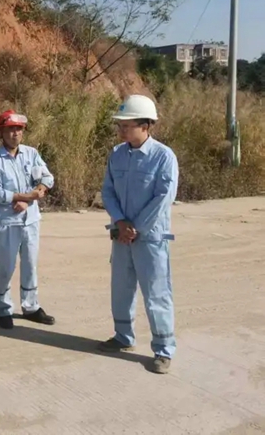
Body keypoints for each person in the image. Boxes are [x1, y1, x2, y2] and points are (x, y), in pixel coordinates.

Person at [98, 94, 179, 375]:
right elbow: (108, 190)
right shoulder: (117, 154)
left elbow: (163, 197)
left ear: (145, 126)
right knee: (121, 289)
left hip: (150, 239)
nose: (121, 130)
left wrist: (136, 228)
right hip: (121, 236)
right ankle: (123, 336)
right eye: (120, 125)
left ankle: (163, 350)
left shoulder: (163, 157)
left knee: (156, 294)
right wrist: (121, 222)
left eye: (127, 125)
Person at [0, 110, 56, 330]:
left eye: (18, 129)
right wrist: (23, 197)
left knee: (30, 265)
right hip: (8, 223)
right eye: (10, 129)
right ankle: (4, 308)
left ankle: (31, 307)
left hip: (31, 220)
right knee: (6, 267)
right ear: (1, 133)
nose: (15, 133)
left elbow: (47, 178)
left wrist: (35, 194)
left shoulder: (31, 153)